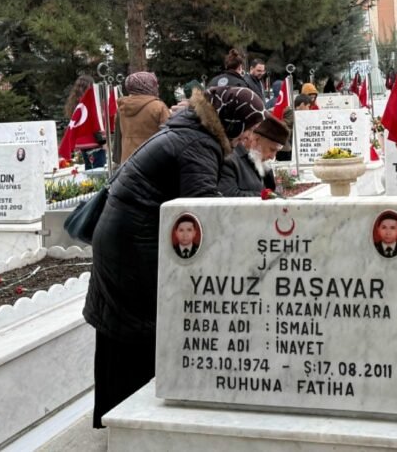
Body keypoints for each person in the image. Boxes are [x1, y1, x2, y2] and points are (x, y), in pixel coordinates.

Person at [82, 85, 264, 429]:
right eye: (248, 128)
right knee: (143, 329)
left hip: (123, 237)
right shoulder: (199, 143)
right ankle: (136, 424)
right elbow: (201, 213)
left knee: (123, 333)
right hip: (135, 244)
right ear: (231, 122)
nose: (247, 138)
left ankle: (118, 415)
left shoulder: (192, 131)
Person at [220, 116, 289, 197]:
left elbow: (271, 190)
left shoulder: (262, 162)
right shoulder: (231, 160)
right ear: (256, 139)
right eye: (272, 149)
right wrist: (266, 196)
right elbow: (228, 194)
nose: (272, 156)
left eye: (277, 152)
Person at [117, 72, 170, 163]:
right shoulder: (158, 107)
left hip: (127, 162)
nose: (157, 86)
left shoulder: (122, 108)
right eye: (154, 83)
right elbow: (170, 136)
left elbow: (118, 138)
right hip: (152, 162)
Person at [64, 75, 106, 169]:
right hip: (95, 143)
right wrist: (104, 142)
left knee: (89, 172)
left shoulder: (75, 103)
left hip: (82, 144)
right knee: (99, 173)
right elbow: (96, 123)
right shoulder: (91, 102)